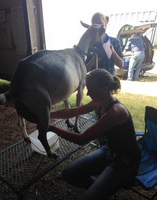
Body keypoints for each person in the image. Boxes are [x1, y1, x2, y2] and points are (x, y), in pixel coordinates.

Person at [49, 69, 141, 200]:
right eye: (87, 88)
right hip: (109, 152)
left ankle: (98, 192)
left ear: (104, 88)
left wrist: (53, 128)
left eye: (91, 89)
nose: (88, 93)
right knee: (69, 174)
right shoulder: (100, 102)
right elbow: (73, 112)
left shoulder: (115, 112)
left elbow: (82, 139)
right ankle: (100, 191)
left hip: (125, 163)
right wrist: (47, 115)